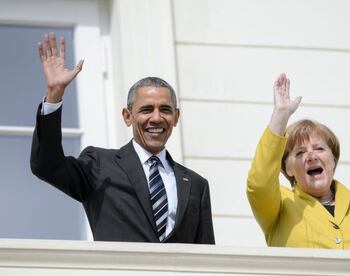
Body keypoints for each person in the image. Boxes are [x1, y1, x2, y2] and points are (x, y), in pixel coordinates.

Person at [30, 32, 215, 244]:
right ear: (128, 117)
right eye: (146, 110)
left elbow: (206, 255)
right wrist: (54, 95)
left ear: (176, 117)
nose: (156, 118)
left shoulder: (196, 184)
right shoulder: (99, 165)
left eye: (165, 109)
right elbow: (46, 166)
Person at [246, 73, 350, 250]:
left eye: (319, 149)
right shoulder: (280, 205)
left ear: (333, 159)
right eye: (300, 153)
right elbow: (259, 184)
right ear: (288, 168)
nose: (311, 156)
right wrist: (281, 115)